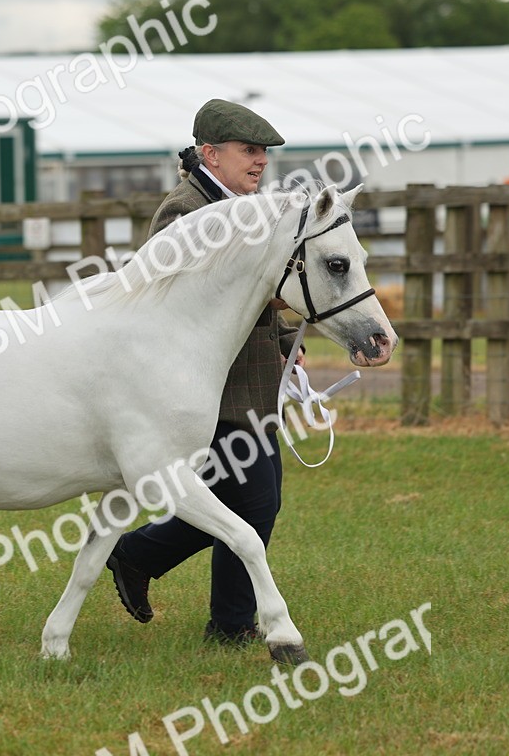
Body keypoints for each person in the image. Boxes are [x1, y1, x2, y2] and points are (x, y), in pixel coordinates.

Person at [106, 99, 304, 651]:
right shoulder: (183, 211)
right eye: (249, 151)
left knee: (240, 500)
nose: (260, 162)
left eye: (264, 153)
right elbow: (185, 303)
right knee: (255, 502)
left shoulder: (247, 206)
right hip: (210, 390)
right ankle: (229, 623)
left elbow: (256, 295)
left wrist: (287, 341)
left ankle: (138, 555)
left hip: (249, 379)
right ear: (209, 153)